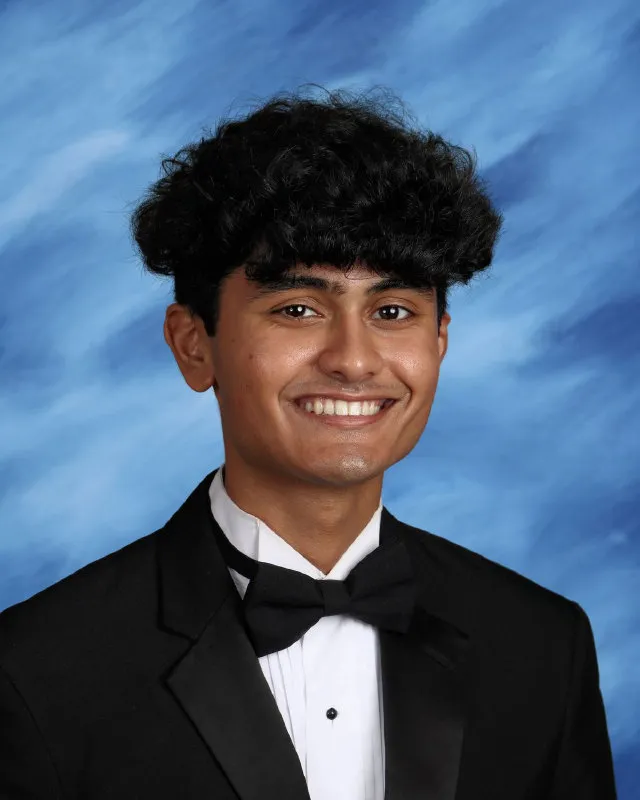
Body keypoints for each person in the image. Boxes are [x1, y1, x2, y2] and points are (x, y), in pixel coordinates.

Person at [0, 85, 617, 799]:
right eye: (298, 308)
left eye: (393, 311)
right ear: (194, 344)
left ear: (440, 342)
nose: (353, 360)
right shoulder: (33, 671)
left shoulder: (543, 645)